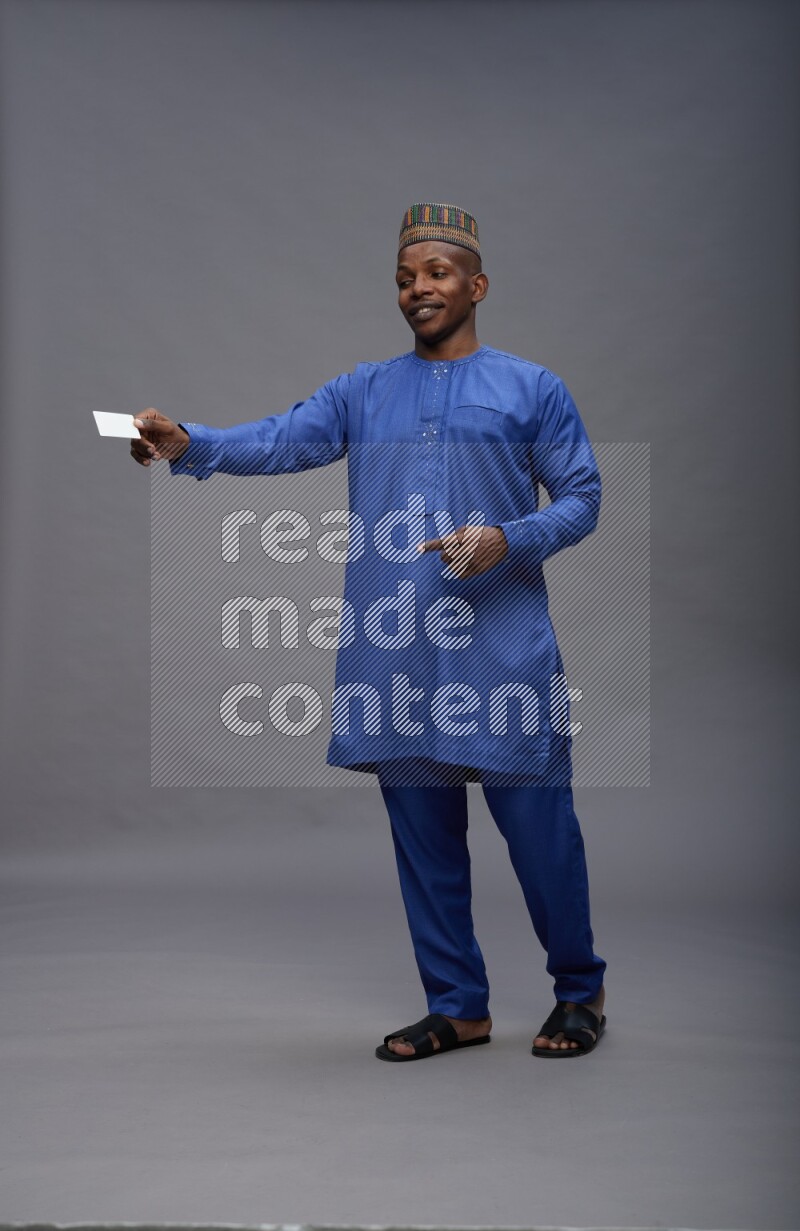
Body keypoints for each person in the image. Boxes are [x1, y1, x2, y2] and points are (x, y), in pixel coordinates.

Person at [130, 202, 607, 1061]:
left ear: (477, 285)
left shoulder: (532, 387)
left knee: (541, 837)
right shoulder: (364, 390)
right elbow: (278, 442)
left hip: (500, 653)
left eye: (435, 273)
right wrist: (187, 442)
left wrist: (511, 537)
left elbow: (583, 497)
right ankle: (458, 1004)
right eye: (403, 277)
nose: (417, 289)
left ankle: (579, 990)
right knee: (425, 843)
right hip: (396, 651)